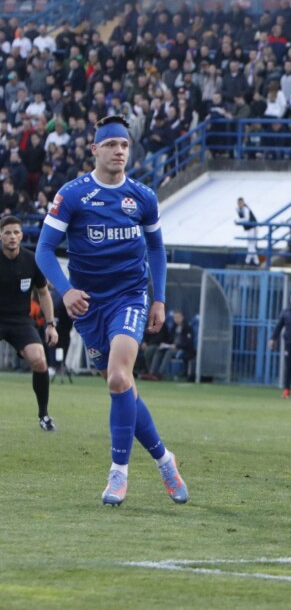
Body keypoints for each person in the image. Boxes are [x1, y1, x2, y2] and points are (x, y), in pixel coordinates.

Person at [34, 114, 188, 506]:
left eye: (124, 145)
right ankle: (165, 460)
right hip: (87, 305)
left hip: (129, 297)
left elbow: (156, 248)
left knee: (120, 378)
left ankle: (118, 475)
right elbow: (44, 249)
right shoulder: (72, 195)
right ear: (95, 150)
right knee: (122, 389)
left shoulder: (142, 197)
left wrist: (158, 298)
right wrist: (65, 291)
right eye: (111, 145)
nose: (119, 151)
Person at [0, 214, 57, 431]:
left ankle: (43, 416)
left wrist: (50, 324)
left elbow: (43, 293)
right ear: (1, 236)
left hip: (20, 320)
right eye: (7, 233)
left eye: (16, 232)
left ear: (22, 235)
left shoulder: (32, 260)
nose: (12, 237)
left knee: (39, 360)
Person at [235, 197, 259, 266]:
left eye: (241, 202)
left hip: (253, 227)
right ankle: (256, 262)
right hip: (249, 228)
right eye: (239, 203)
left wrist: (238, 221)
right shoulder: (238, 209)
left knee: (251, 244)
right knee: (251, 245)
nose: (240, 204)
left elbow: (247, 219)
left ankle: (247, 261)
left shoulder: (246, 209)